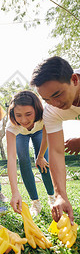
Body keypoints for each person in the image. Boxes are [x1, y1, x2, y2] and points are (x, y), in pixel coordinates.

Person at [31, 56, 80, 225]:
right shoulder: (51, 110)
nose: (54, 103)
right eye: (46, 99)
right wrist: (60, 195)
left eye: (57, 95)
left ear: (74, 79)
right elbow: (57, 152)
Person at [6, 90, 55, 217]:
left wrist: (40, 157)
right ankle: (35, 202)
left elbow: (47, 136)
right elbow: (11, 159)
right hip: (21, 134)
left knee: (44, 161)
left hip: (39, 132)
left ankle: (52, 197)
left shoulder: (45, 114)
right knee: (23, 160)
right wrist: (14, 192)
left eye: (28, 114)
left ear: (36, 110)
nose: (24, 120)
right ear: (13, 114)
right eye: (18, 115)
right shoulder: (12, 126)